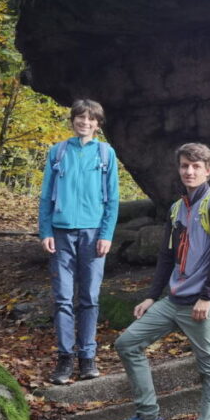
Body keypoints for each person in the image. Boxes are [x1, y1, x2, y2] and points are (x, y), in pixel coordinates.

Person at [108, 142, 210, 420]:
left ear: (209, 169)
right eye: (184, 166)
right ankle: (149, 419)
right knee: (128, 343)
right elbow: (166, 256)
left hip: (205, 303)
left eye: (196, 166)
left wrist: (208, 295)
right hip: (174, 300)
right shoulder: (178, 208)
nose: (189, 171)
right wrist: (151, 295)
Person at [39, 99, 119, 385]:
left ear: (98, 123)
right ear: (73, 120)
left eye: (90, 118)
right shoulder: (57, 152)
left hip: (93, 234)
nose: (85, 122)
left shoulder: (106, 153)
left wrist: (106, 234)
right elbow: (46, 195)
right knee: (62, 298)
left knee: (89, 298)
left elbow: (112, 199)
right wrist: (45, 230)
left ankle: (87, 357)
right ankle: (64, 359)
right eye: (80, 118)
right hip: (60, 234)